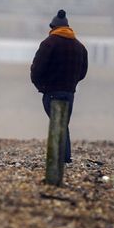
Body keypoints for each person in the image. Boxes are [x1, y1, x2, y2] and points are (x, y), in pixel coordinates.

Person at [30, 9, 88, 163]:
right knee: (63, 123)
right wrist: (72, 83)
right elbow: (83, 72)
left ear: (53, 27)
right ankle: (64, 157)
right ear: (68, 27)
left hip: (51, 91)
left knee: (58, 123)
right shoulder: (80, 47)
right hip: (69, 92)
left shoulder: (48, 44)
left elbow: (36, 69)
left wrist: (41, 85)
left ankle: (59, 158)